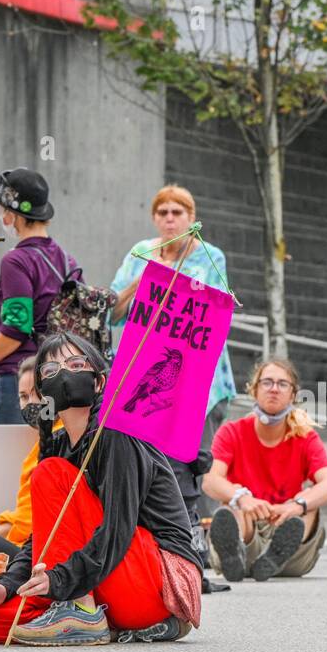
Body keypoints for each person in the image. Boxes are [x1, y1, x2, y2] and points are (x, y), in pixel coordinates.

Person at [0, 332, 202, 645]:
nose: (63, 374)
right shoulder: (59, 446)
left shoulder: (117, 433)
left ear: (98, 382)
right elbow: (43, 537)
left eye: (76, 364)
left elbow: (117, 531)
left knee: (49, 474)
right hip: (102, 580)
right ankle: (91, 615)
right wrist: (8, 584)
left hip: (157, 582)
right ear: (43, 391)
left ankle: (82, 610)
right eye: (50, 371)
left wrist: (58, 581)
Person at [110, 184, 236, 456]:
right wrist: (145, 279)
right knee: (147, 464)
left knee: (193, 464)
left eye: (177, 212)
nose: (169, 218)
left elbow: (217, 320)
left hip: (200, 383)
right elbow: (112, 314)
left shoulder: (211, 258)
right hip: (148, 379)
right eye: (162, 212)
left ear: (192, 218)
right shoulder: (140, 252)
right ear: (154, 218)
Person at [202, 359, 327, 582]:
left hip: (288, 535)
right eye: (267, 382)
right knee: (232, 502)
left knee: (310, 501)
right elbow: (210, 481)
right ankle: (234, 555)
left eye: (282, 384)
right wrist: (242, 497)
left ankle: (274, 558)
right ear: (254, 390)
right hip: (248, 529)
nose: (274, 389)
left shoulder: (304, 435)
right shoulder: (231, 432)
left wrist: (296, 506)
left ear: (293, 395)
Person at [0, 167, 83, 425]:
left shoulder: (17, 260)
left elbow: (16, 327)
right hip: (58, 379)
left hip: (17, 379)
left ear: (15, 215)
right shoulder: (69, 262)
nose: (2, 216)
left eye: (5, 210)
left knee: (4, 462)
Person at [0, 355, 47, 549]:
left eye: (37, 393)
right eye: (23, 396)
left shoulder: (59, 441)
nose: (31, 402)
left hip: (32, 551)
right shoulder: (41, 444)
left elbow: (28, 522)